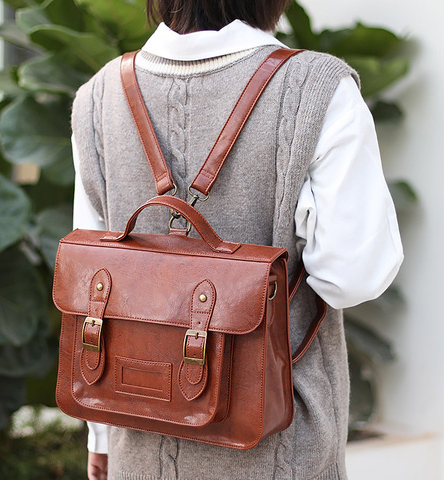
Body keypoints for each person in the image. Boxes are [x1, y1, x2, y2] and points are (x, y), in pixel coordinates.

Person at [71, 1, 403, 479]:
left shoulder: (98, 96)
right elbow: (354, 274)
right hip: (279, 449)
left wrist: (98, 438)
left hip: (135, 440)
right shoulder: (317, 90)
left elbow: (92, 290)